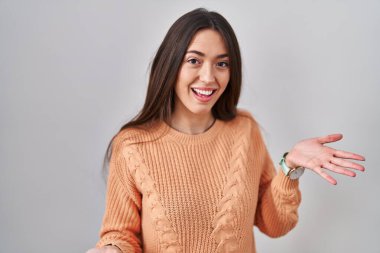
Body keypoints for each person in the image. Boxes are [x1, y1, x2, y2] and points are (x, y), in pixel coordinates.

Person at [86, 8, 365, 253]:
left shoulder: (244, 131)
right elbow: (120, 234)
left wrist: (290, 167)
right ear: (170, 65)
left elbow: (275, 225)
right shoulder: (133, 144)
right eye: (194, 60)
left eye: (222, 63)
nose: (209, 77)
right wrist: (111, 250)